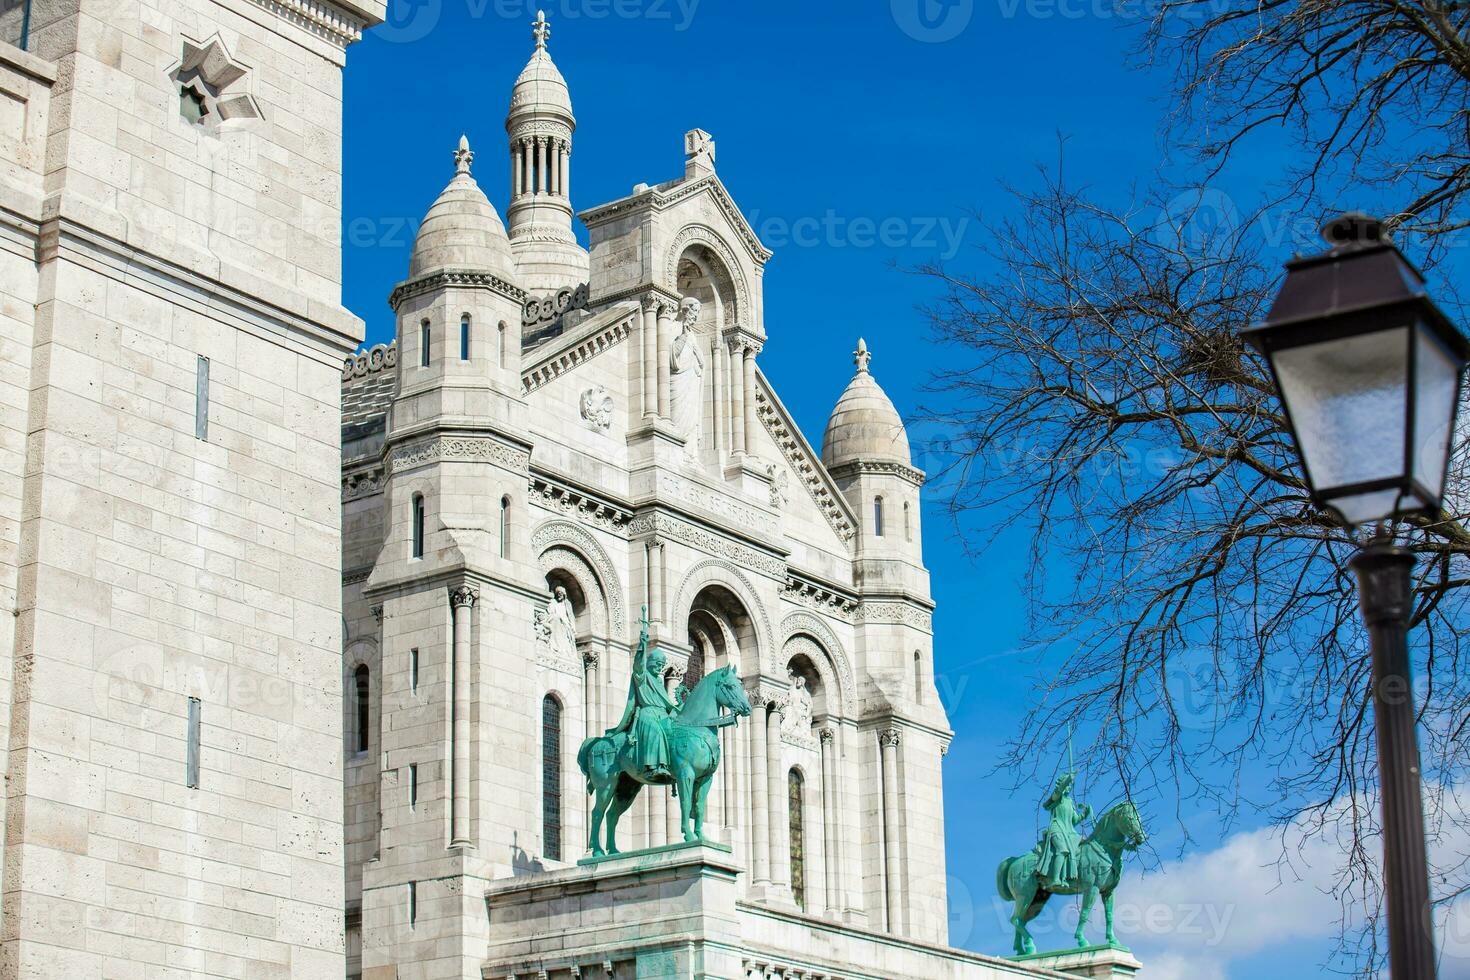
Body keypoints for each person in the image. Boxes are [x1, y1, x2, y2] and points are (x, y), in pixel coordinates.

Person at [606, 610, 678, 780]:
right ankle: (654, 766)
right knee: (656, 730)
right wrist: (641, 647)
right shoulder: (642, 676)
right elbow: (638, 665)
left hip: (662, 713)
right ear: (651, 663)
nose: (659, 667)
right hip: (647, 714)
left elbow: (668, 704)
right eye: (657, 664)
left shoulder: (660, 683)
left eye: (661, 665)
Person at [1036, 772, 1091, 889]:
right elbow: (1057, 792)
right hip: (1057, 829)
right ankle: (1055, 879)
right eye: (1066, 785)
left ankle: (1067, 876)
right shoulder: (1057, 797)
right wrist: (1067, 779)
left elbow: (1075, 820)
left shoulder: (1069, 801)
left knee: (1081, 847)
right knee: (1062, 850)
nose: (1068, 787)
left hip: (1069, 832)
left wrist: (1085, 814)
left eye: (1069, 785)